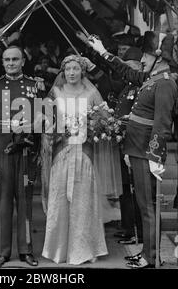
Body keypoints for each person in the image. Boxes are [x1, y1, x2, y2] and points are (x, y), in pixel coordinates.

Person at [86, 30, 178, 268]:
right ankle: (148, 252)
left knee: (147, 207)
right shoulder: (151, 78)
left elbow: (162, 122)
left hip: (146, 151)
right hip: (137, 149)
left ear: (159, 56)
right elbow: (126, 71)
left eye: (146, 55)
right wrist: (102, 52)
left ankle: (151, 256)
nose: (143, 59)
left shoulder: (165, 83)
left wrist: (156, 155)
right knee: (143, 204)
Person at [0, 46, 45, 268]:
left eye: (15, 59)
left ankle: (26, 249)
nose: (10, 63)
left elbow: (45, 117)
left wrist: (32, 125)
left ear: (23, 61)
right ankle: (4, 251)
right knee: (3, 202)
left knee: (25, 202)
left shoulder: (34, 85)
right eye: (7, 59)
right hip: (1, 149)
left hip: (26, 150)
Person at [40, 55, 108, 265]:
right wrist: (53, 131)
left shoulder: (91, 94)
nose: (71, 73)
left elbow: (105, 119)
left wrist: (93, 127)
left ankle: (84, 249)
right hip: (61, 152)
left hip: (84, 153)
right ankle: (58, 250)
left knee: (82, 201)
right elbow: (44, 119)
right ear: (62, 72)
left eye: (75, 69)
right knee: (60, 199)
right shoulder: (56, 93)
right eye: (67, 69)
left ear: (82, 71)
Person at [114, 47, 143, 245]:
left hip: (133, 143)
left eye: (133, 68)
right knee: (125, 189)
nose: (128, 72)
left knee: (135, 191)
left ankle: (137, 232)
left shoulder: (141, 88)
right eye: (127, 68)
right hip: (122, 143)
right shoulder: (127, 88)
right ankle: (127, 227)